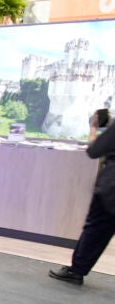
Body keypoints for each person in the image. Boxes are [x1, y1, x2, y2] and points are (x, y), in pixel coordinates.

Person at [49, 108, 115, 285]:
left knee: (97, 228)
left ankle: (76, 270)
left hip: (110, 188)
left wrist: (93, 128)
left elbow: (94, 150)